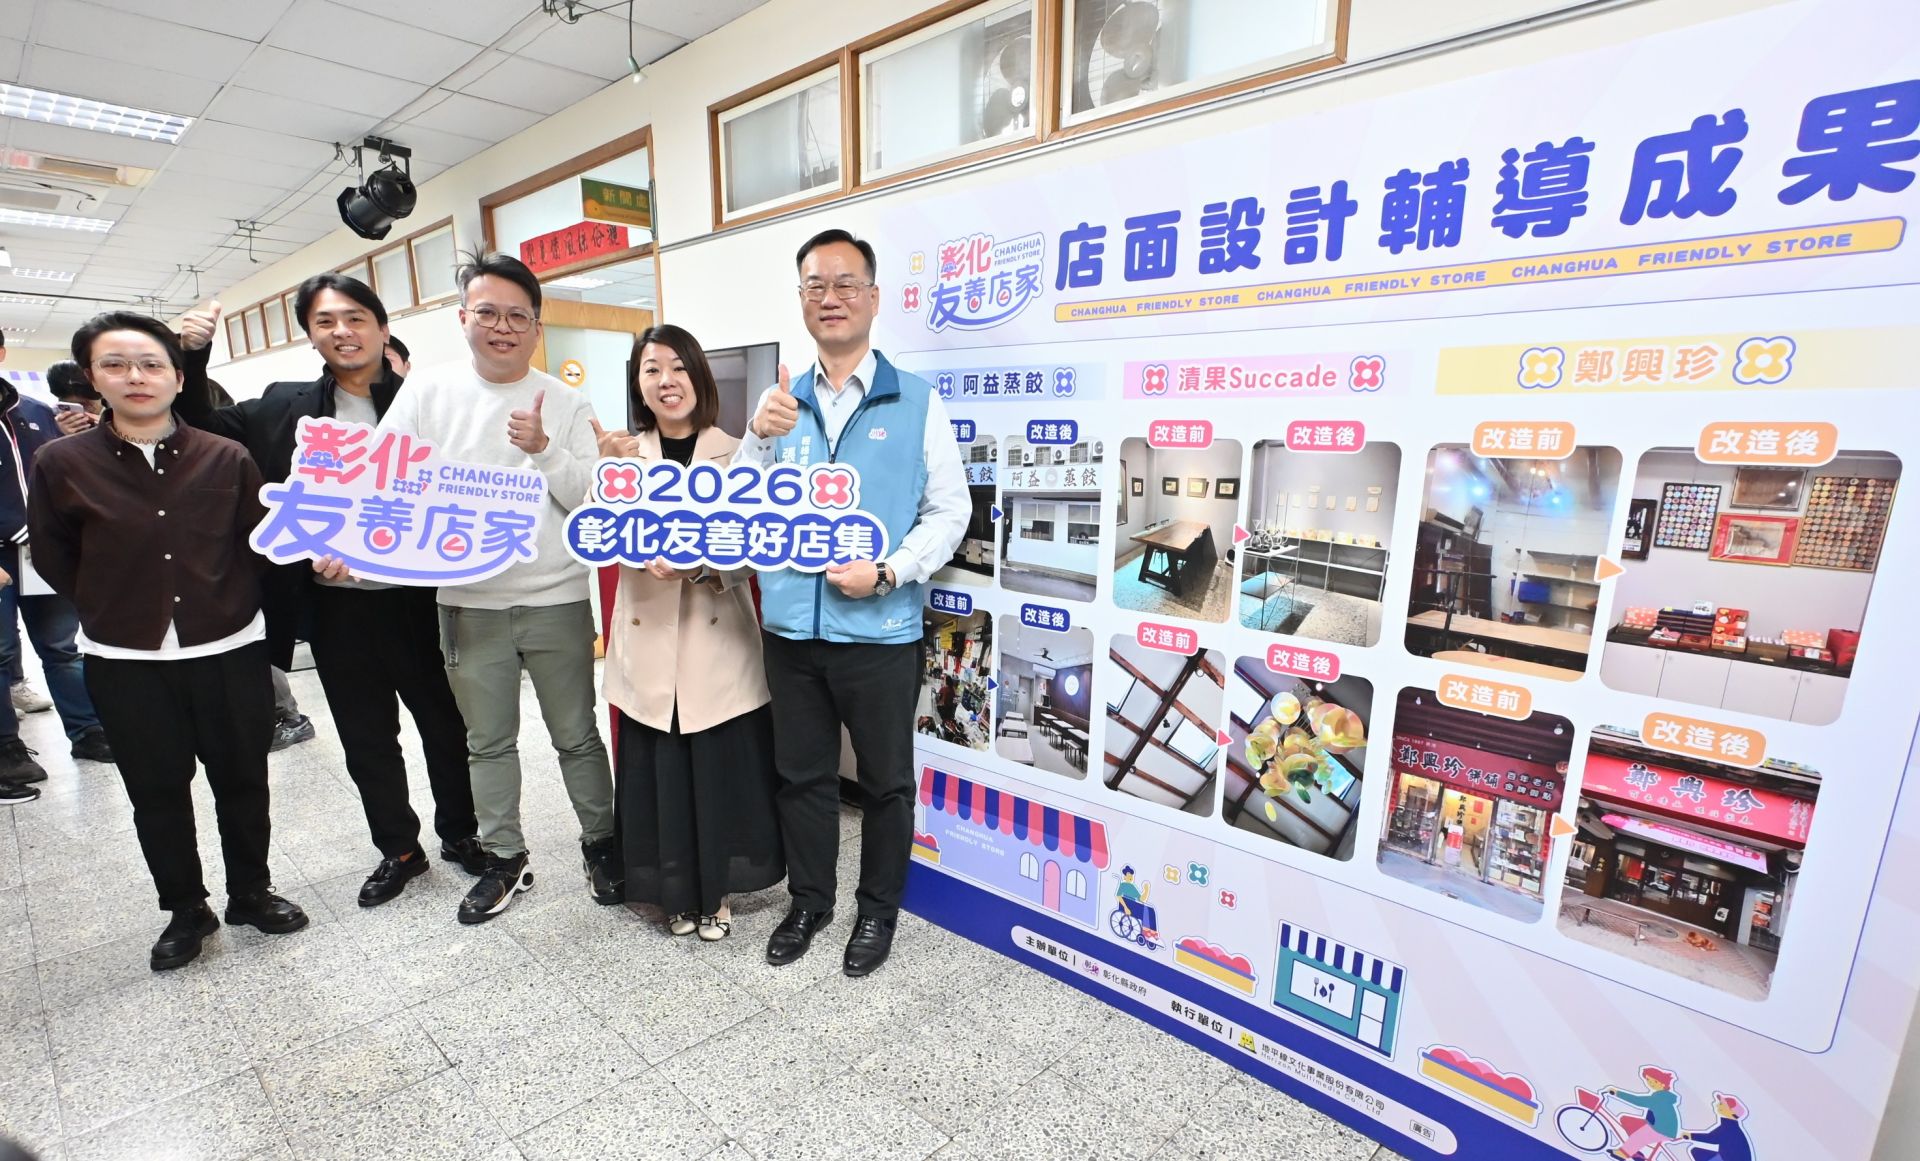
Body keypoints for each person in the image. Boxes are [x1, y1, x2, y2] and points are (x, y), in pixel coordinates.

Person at [173, 277, 484, 907]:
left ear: (382, 327)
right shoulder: (283, 407)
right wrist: (193, 356)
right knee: (366, 736)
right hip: (335, 605)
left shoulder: (428, 400)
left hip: (422, 601)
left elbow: (471, 484)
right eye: (325, 321)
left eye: (355, 317)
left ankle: (461, 833)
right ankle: (399, 848)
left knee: (447, 726)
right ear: (310, 335)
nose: (342, 331)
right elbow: (201, 424)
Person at [28, 312, 307, 970]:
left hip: (229, 648)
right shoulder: (61, 463)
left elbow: (258, 547)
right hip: (126, 660)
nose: (136, 376)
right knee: (156, 792)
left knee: (243, 781)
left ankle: (250, 892)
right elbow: (55, 554)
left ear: (179, 378)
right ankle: (186, 907)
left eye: (152, 363)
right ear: (94, 377)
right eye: (116, 364)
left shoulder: (225, 456)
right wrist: (113, 606)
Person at [736, 228, 969, 977]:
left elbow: (950, 511)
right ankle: (810, 902)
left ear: (873, 297)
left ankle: (877, 911)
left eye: (845, 284)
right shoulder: (780, 405)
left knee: (886, 784)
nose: (830, 297)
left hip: (881, 631)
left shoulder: (917, 401)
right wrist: (755, 438)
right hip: (791, 632)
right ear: (801, 299)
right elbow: (738, 508)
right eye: (815, 285)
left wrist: (892, 571)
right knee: (801, 776)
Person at [378, 251, 618, 924]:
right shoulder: (425, 393)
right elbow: (385, 476)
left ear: (537, 326)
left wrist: (544, 447)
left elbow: (590, 502)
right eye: (488, 313)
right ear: (463, 319)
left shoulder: (567, 402)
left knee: (578, 735)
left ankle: (603, 844)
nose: (503, 327)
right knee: (487, 742)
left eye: (518, 316)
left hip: (556, 598)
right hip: (467, 603)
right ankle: (504, 858)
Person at [594, 325, 783, 941]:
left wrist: (703, 564)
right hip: (648, 637)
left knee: (716, 771)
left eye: (678, 367)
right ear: (638, 385)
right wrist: (608, 479)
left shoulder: (740, 453)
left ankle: (715, 892)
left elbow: (761, 544)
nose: (666, 380)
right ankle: (672, 893)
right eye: (652, 370)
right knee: (662, 775)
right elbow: (593, 535)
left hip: (716, 637)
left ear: (699, 377)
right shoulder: (622, 458)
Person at [0, 357, 115, 775]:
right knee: (1, 652)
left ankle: (87, 732)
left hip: (41, 549)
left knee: (62, 647)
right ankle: (7, 747)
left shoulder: (35, 412)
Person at [1608, 1066, 1682, 1161]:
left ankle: (1623, 1154)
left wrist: (1617, 1093)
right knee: (1626, 1120)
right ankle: (1633, 1150)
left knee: (1639, 1136)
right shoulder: (1660, 1096)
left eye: (1655, 1081)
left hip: (1663, 1130)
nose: (1651, 1084)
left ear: (1663, 1084)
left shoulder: (1660, 1097)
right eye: (1648, 1080)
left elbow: (1638, 1101)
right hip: (1654, 1125)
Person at [1683, 1092, 1752, 1161]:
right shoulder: (1730, 1125)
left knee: (1697, 1152)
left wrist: (1690, 1136)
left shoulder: (1729, 1128)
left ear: (1732, 1112)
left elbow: (1711, 1138)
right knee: (1697, 1151)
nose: (1716, 1105)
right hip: (1727, 1157)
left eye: (1721, 1104)